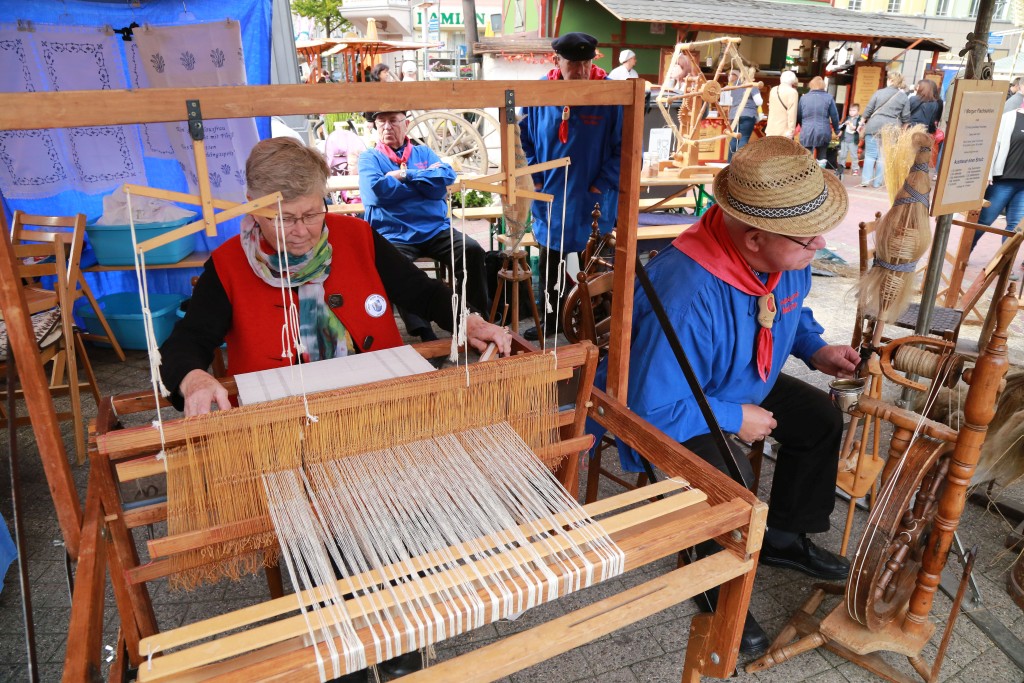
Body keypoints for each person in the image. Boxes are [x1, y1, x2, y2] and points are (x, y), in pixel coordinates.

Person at [613, 136, 857, 652]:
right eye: (807, 239)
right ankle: (715, 585)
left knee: (818, 417)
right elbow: (647, 407)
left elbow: (790, 307)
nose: (819, 245)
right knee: (730, 479)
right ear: (754, 239)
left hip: (742, 378)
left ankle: (784, 538)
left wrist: (815, 349)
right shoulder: (683, 292)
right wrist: (732, 417)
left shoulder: (786, 253)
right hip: (679, 405)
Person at [161, 137, 510, 419]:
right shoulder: (229, 265)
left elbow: (422, 293)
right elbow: (188, 341)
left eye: (312, 213)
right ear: (252, 205)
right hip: (281, 421)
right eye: (283, 218)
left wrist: (467, 320)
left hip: (379, 405)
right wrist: (194, 379)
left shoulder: (357, 237)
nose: (300, 231)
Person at [519, 32, 622, 337]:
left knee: (594, 260)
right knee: (551, 260)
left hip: (592, 194)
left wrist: (601, 183)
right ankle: (551, 321)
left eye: (586, 63)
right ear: (557, 61)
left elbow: (625, 147)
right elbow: (524, 139)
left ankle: (591, 321)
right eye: (573, 64)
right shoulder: (539, 92)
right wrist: (536, 177)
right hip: (550, 190)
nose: (580, 71)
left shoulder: (610, 94)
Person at [358, 110, 490, 342]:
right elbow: (375, 194)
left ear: (406, 123)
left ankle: (476, 318)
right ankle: (424, 331)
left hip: (435, 229)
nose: (387, 127)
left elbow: (443, 180)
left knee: (472, 250)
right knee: (396, 267)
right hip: (394, 233)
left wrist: (404, 175)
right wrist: (423, 184)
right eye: (381, 122)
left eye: (393, 121)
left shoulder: (423, 152)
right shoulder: (370, 158)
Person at [972, 103, 1024, 255]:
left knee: (1015, 228)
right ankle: (963, 255)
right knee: (984, 221)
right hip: (1002, 181)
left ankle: (1002, 264)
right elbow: (994, 146)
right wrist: (988, 173)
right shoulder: (1009, 118)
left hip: (1023, 186)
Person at [858, 71, 910, 189]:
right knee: (883, 157)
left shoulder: (879, 93)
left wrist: (861, 123)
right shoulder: (903, 97)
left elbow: (868, 110)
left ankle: (865, 181)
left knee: (870, 155)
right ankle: (877, 183)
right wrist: (903, 130)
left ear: (890, 80)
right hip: (891, 129)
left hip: (873, 126)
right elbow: (906, 117)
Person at [720, 65, 762, 160]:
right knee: (743, 138)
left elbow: (728, 101)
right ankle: (739, 162)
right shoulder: (752, 85)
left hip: (734, 115)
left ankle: (730, 161)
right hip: (748, 114)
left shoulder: (734, 85)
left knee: (734, 139)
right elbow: (759, 101)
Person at [796, 76, 839, 162]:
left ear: (811, 85)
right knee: (822, 155)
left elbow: (799, 115)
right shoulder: (829, 97)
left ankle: (808, 169)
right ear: (823, 85)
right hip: (823, 131)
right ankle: (821, 168)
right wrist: (837, 130)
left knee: (807, 155)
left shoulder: (804, 98)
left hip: (807, 131)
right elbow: (834, 115)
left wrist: (802, 126)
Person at [765, 70, 799, 138]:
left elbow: (770, 108)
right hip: (783, 131)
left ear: (781, 78)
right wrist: (791, 131)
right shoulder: (793, 92)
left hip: (771, 129)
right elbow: (792, 113)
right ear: (793, 80)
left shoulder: (773, 90)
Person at [837, 102, 862, 176]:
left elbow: (856, 128)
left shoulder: (859, 119)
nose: (851, 112)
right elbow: (841, 127)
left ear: (858, 111)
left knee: (854, 156)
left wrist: (850, 125)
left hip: (853, 141)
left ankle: (855, 169)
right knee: (842, 155)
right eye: (850, 110)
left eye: (854, 110)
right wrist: (843, 126)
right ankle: (841, 168)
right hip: (844, 139)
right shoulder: (847, 118)